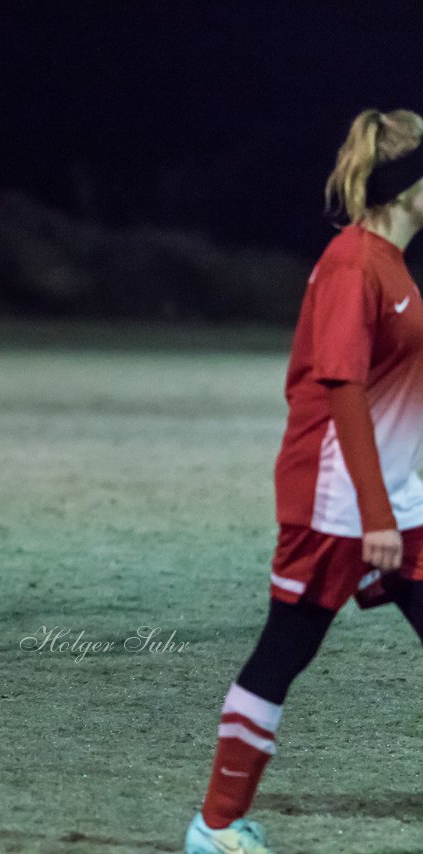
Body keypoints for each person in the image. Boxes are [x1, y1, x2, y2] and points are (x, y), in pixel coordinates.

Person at [185, 109, 423, 854]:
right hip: (337, 501)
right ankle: (215, 824)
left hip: (391, 497)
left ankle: (217, 822)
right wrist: (377, 514)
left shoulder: (389, 262)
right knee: (286, 648)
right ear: (410, 184)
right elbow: (344, 388)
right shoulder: (356, 266)